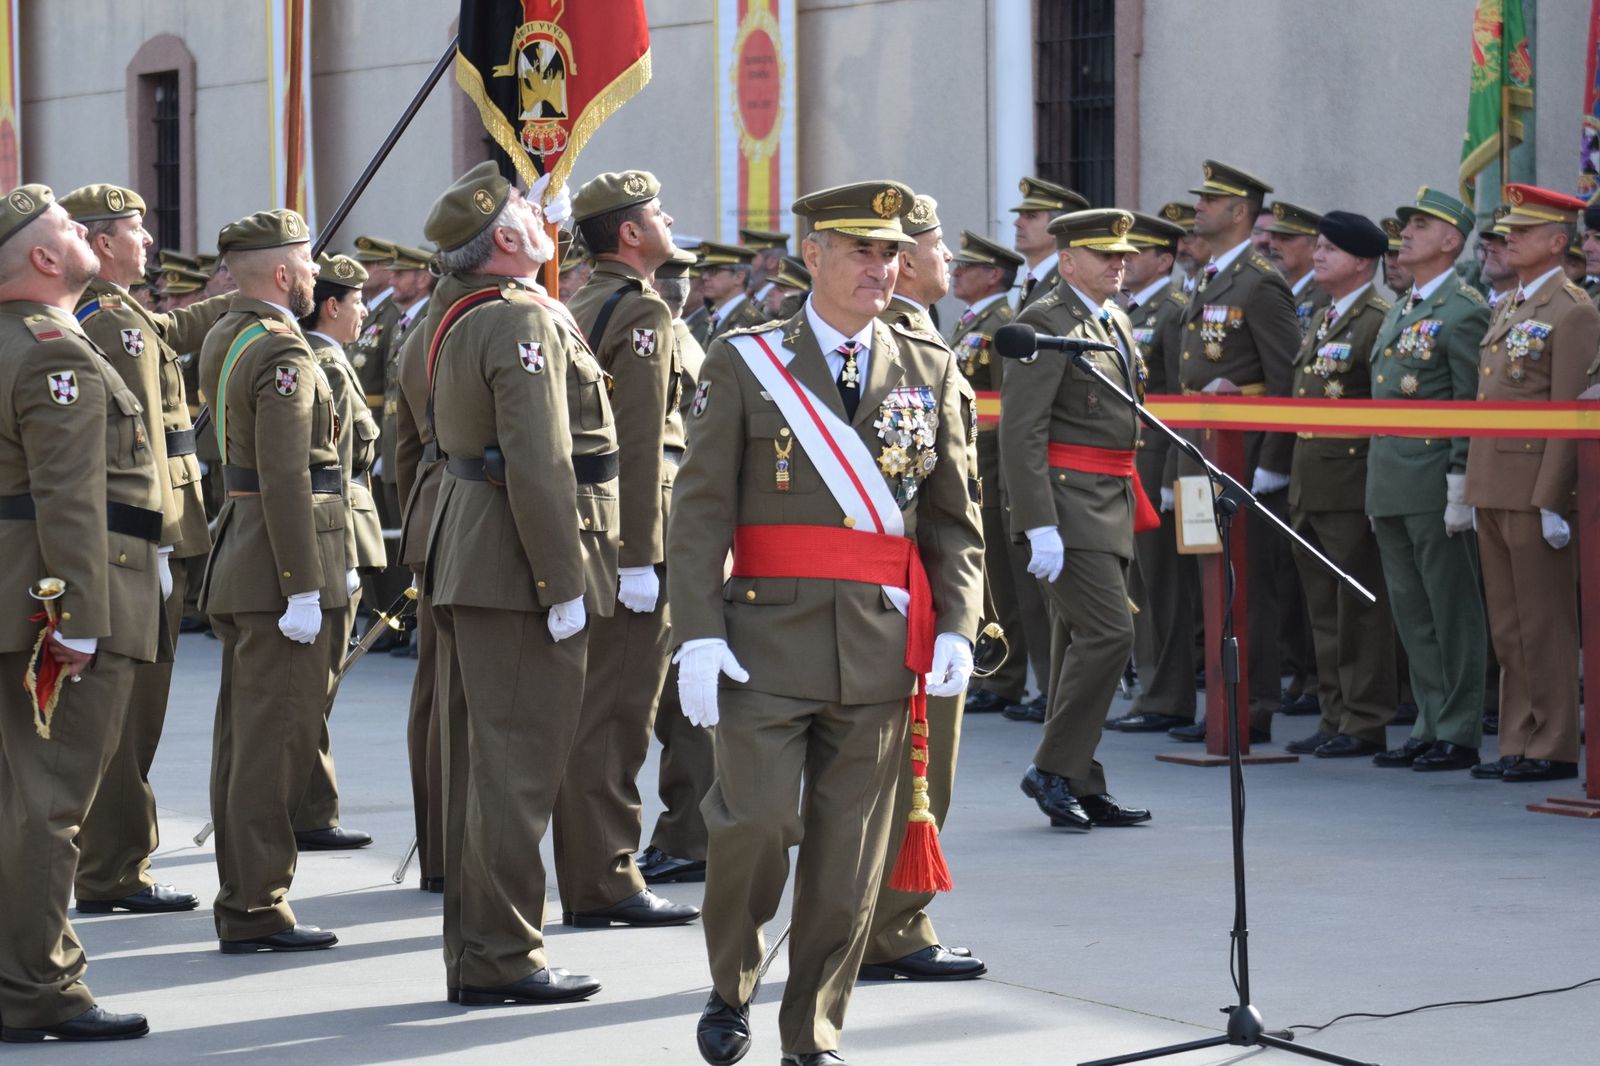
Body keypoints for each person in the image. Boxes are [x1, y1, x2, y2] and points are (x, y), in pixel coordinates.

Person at [672, 179, 983, 1066]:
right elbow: (697, 514)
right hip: (763, 645)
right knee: (756, 826)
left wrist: (959, 621)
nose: (883, 268)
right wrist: (695, 632)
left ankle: (811, 1034)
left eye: (892, 252)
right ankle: (730, 980)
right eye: (861, 250)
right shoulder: (745, 360)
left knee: (849, 866)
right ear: (812, 255)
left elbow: (954, 517)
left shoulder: (929, 365)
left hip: (883, 650)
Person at [423, 162, 617, 1005]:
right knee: (517, 771)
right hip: (517, 562)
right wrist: (562, 579)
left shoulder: (463, 310)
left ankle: (482, 952)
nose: (546, 218)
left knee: (489, 768)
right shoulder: (515, 321)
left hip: (480, 550)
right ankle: (503, 956)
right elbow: (539, 461)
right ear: (505, 241)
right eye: (527, 214)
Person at [0, 183, 161, 1042]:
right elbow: (67, 497)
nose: (82, 231)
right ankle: (37, 990)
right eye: (66, 224)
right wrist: (81, 617)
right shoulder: (52, 349)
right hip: (52, 600)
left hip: (18, 589)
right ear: (43, 256)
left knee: (22, 798)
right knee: (51, 805)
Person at [61, 184, 228, 916]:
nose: (149, 243)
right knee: (130, 715)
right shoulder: (106, 322)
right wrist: (155, 535)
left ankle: (117, 862)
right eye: (137, 230)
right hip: (143, 537)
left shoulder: (126, 314)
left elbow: (178, 330)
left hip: (159, 532)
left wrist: (251, 289)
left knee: (141, 711)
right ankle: (113, 869)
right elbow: (139, 443)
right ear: (102, 244)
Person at [198, 208, 350, 954]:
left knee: (245, 739)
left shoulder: (233, 330)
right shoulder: (282, 350)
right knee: (271, 743)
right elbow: (289, 476)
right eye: (308, 264)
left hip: (243, 550)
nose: (319, 275)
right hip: (274, 561)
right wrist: (302, 585)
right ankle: (256, 905)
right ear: (283, 275)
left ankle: (245, 894)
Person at [553, 170, 699, 930]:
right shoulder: (639, 308)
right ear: (632, 234)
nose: (671, 217)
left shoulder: (588, 296)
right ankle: (605, 879)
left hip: (605, 527)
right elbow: (638, 441)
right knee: (616, 716)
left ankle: (598, 871)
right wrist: (640, 556)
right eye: (657, 212)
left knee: (606, 711)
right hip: (634, 534)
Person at [861, 192, 986, 983]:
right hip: (908, 583)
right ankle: (893, 929)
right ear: (906, 260)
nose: (953, 264)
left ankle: (879, 921)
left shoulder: (921, 338)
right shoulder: (902, 346)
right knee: (915, 768)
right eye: (941, 248)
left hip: (927, 576)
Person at [1002, 206, 1155, 831]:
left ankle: (1083, 781)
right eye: (1104, 254)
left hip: (1111, 497)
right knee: (1111, 635)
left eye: (1123, 254)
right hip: (1068, 503)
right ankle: (1053, 768)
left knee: (1077, 644)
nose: (1119, 263)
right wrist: (1038, 521)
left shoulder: (1112, 317)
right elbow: (1022, 429)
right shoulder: (1044, 322)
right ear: (1068, 261)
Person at [1465, 184, 1599, 783]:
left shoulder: (1573, 310)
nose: (1507, 238)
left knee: (1545, 622)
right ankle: (1518, 736)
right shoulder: (1510, 304)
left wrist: (1552, 499)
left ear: (1556, 241)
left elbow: (1569, 414)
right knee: (1508, 623)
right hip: (1494, 484)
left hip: (1533, 487)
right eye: (1507, 230)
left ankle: (1554, 742)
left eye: (1522, 230)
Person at [1166, 160, 1302, 747]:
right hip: (1202, 451)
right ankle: (1223, 701)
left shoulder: (1260, 280)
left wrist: (1272, 461)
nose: (1199, 208)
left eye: (1211, 201)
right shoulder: (1212, 276)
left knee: (1247, 585)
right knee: (1211, 580)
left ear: (1240, 212)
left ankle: (1251, 703)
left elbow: (1285, 377)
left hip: (1241, 456)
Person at [1367, 188, 1489, 772]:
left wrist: (1461, 483)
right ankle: (1430, 718)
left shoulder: (1465, 311)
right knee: (1412, 611)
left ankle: (1460, 728)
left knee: (1452, 607)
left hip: (1434, 479)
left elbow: (1470, 405)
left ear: (1450, 240)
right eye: (1404, 224)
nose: (1405, 234)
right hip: (1390, 478)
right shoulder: (1402, 306)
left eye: (1419, 225)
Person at [1279, 211, 1397, 758]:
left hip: (1350, 483)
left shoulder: (1376, 317)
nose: (1318, 254)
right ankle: (1334, 714)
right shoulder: (1325, 314)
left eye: (1330, 248)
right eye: (1318, 246)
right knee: (1323, 611)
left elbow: (1380, 411)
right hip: (1312, 481)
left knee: (1359, 609)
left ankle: (1365, 717)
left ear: (1362, 262)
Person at [291, 253, 382, 844]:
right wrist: (342, 556)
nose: (365, 312)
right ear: (331, 306)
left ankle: (313, 808)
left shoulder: (329, 359)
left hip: (338, 531)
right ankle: (306, 812)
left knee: (320, 682)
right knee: (314, 684)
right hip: (333, 536)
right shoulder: (323, 362)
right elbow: (330, 467)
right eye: (357, 301)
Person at [634, 246, 716, 886]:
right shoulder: (691, 340)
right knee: (681, 695)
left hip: (663, 525)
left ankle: (691, 833)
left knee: (668, 698)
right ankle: (693, 828)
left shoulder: (662, 339)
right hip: (682, 523)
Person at [1108, 210, 1200, 736]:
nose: (1122, 262)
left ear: (1164, 259)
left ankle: (1170, 695)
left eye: (1133, 252)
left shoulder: (1173, 310)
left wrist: (1168, 476)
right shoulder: (1131, 311)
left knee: (1164, 587)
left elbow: (1172, 404)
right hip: (1129, 462)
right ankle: (1152, 689)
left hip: (1157, 462)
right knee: (1140, 583)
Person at [948, 230, 1028, 717]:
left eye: (967, 266)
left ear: (994, 274)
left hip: (989, 464)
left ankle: (1008, 676)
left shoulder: (1003, 323)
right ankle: (995, 673)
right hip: (971, 462)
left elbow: (1004, 407)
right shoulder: (974, 320)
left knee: (1000, 578)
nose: (956, 271)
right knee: (984, 575)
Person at [1012, 177, 1089, 311]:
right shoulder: (1032, 280)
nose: (1017, 223)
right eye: (1020, 215)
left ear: (1057, 228)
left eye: (1031, 216)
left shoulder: (1071, 282)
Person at [699, 240, 768, 342]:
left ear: (739, 277)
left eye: (713, 271)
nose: (704, 277)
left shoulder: (751, 323)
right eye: (705, 271)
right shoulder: (718, 315)